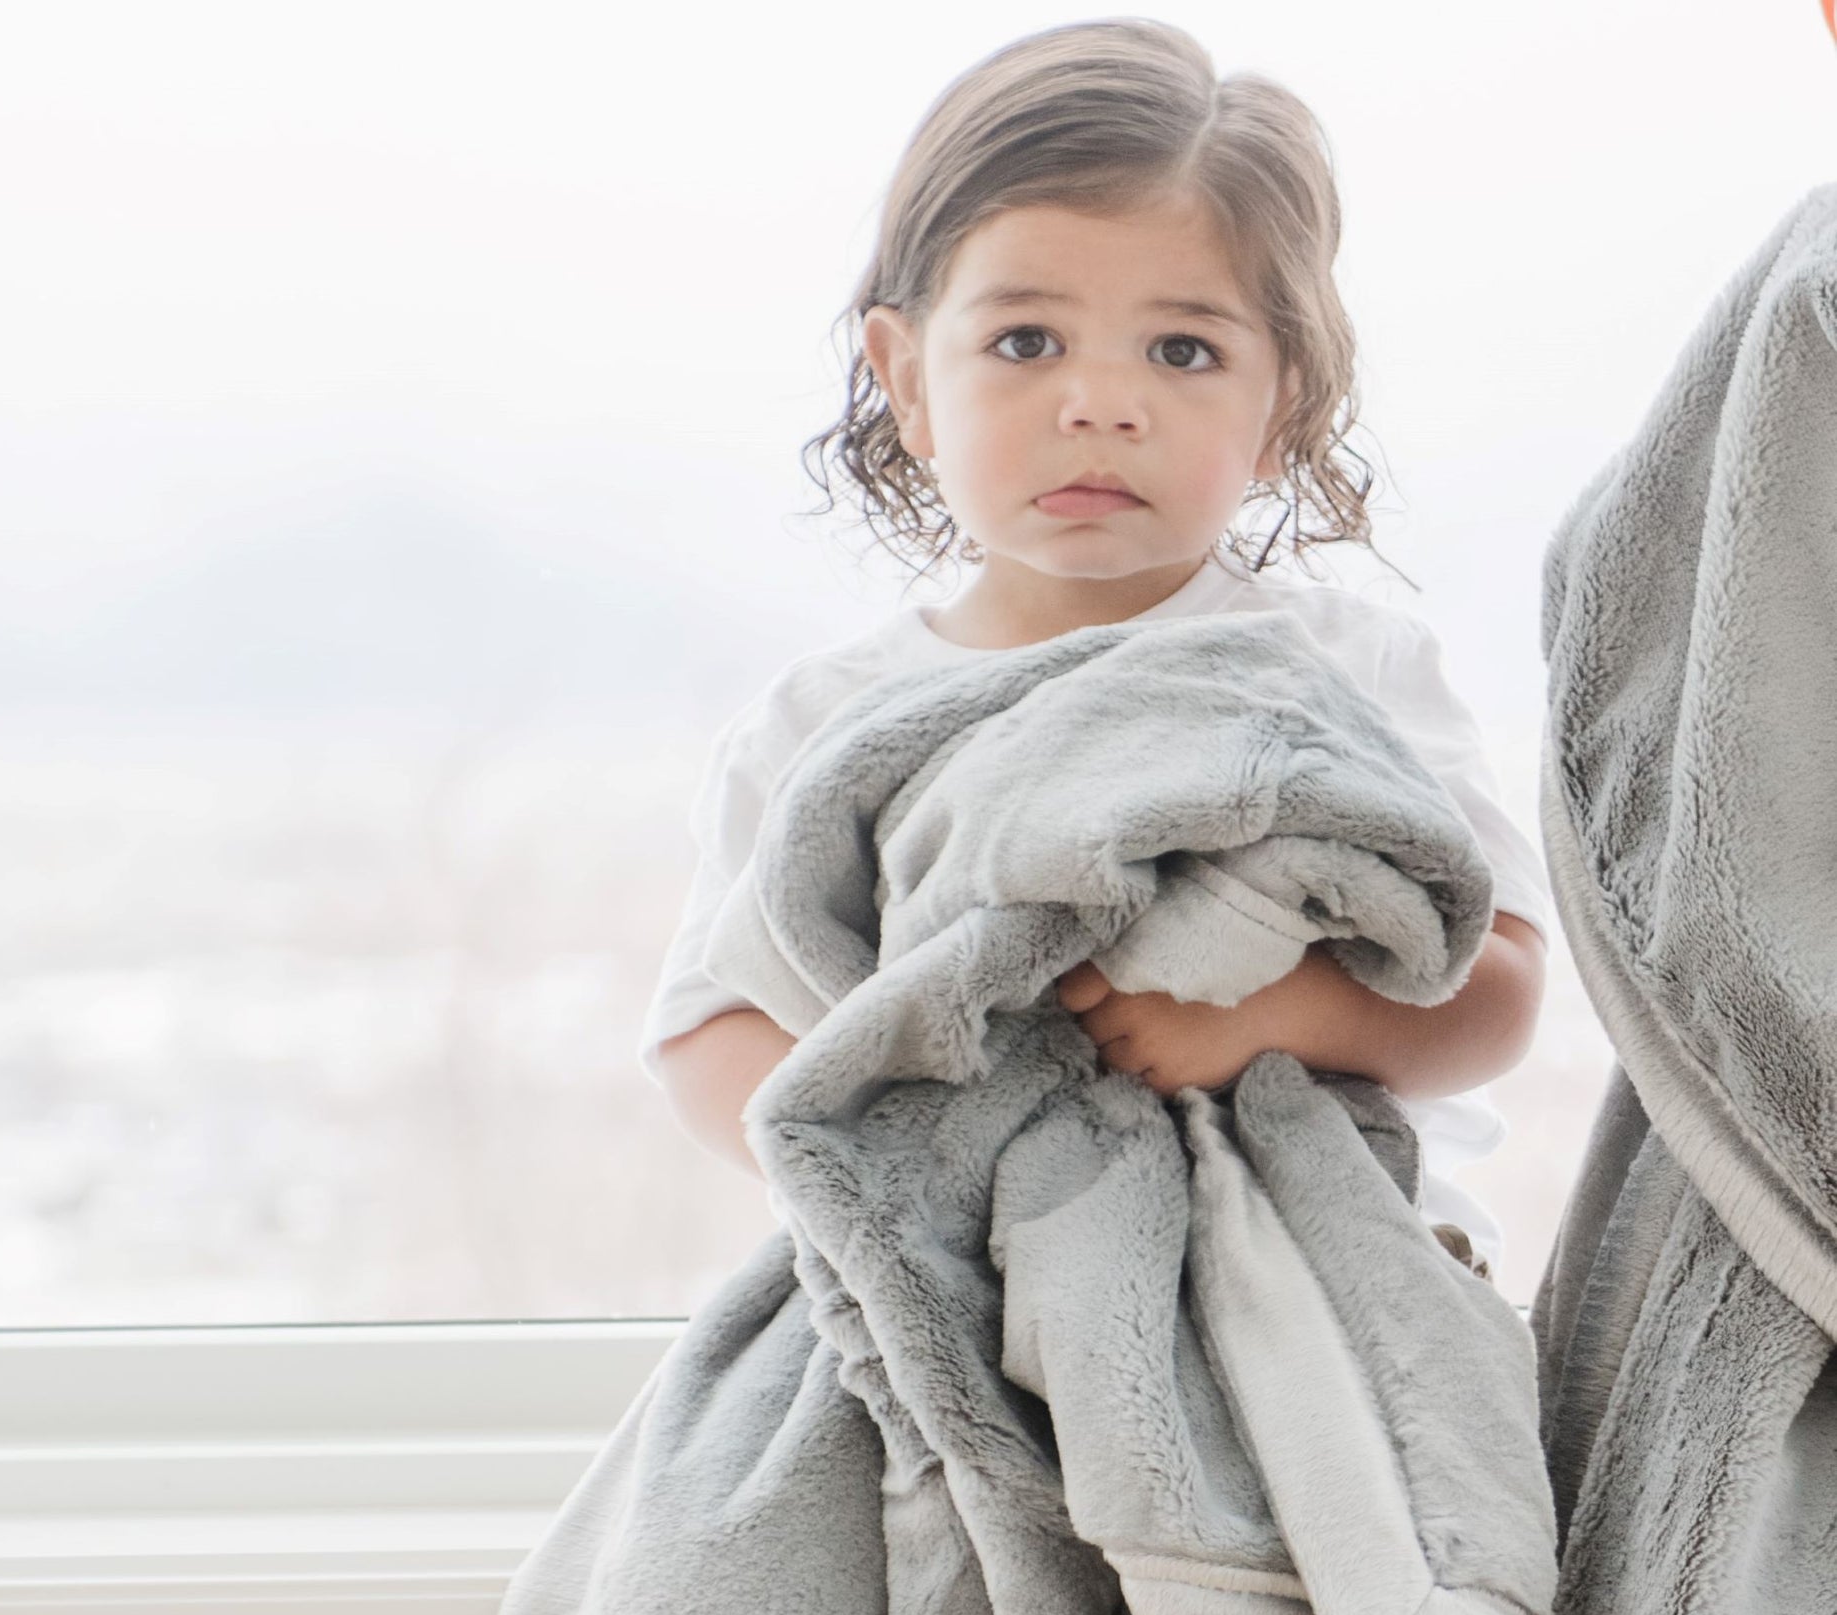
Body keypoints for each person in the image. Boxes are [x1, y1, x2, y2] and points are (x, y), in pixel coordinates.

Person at [641, 16, 1553, 1286]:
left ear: (1280, 401)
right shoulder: (834, 720)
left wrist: (1268, 1020)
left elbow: (1496, 978)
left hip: (1330, 1279)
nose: (1099, 402)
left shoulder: (1346, 671)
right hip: (975, 1276)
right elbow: (707, 1026)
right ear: (905, 378)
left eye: (1182, 350)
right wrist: (903, 1157)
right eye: (1025, 342)